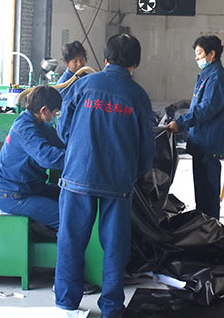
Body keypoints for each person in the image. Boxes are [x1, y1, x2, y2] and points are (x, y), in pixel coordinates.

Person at [55, 33, 155, 318]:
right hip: (118, 182)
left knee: (71, 241)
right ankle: (111, 307)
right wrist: (132, 173)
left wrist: (78, 151)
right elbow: (146, 150)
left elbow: (63, 130)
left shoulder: (83, 85)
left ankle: (66, 304)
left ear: (106, 57)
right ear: (135, 63)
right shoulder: (138, 96)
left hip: (77, 176)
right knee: (114, 245)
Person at [167, 35, 224, 219]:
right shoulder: (207, 75)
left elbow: (206, 109)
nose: (196, 57)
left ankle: (211, 231)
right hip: (201, 143)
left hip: (209, 145)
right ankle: (203, 228)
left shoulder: (216, 78)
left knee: (208, 197)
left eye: (200, 53)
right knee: (201, 195)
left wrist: (181, 123)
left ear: (212, 54)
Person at [0, 85, 65, 229]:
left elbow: (60, 141)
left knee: (69, 197)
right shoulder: (26, 129)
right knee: (66, 218)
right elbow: (48, 158)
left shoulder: (39, 124)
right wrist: (81, 159)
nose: (56, 115)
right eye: (55, 112)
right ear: (44, 110)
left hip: (31, 187)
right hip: (14, 195)